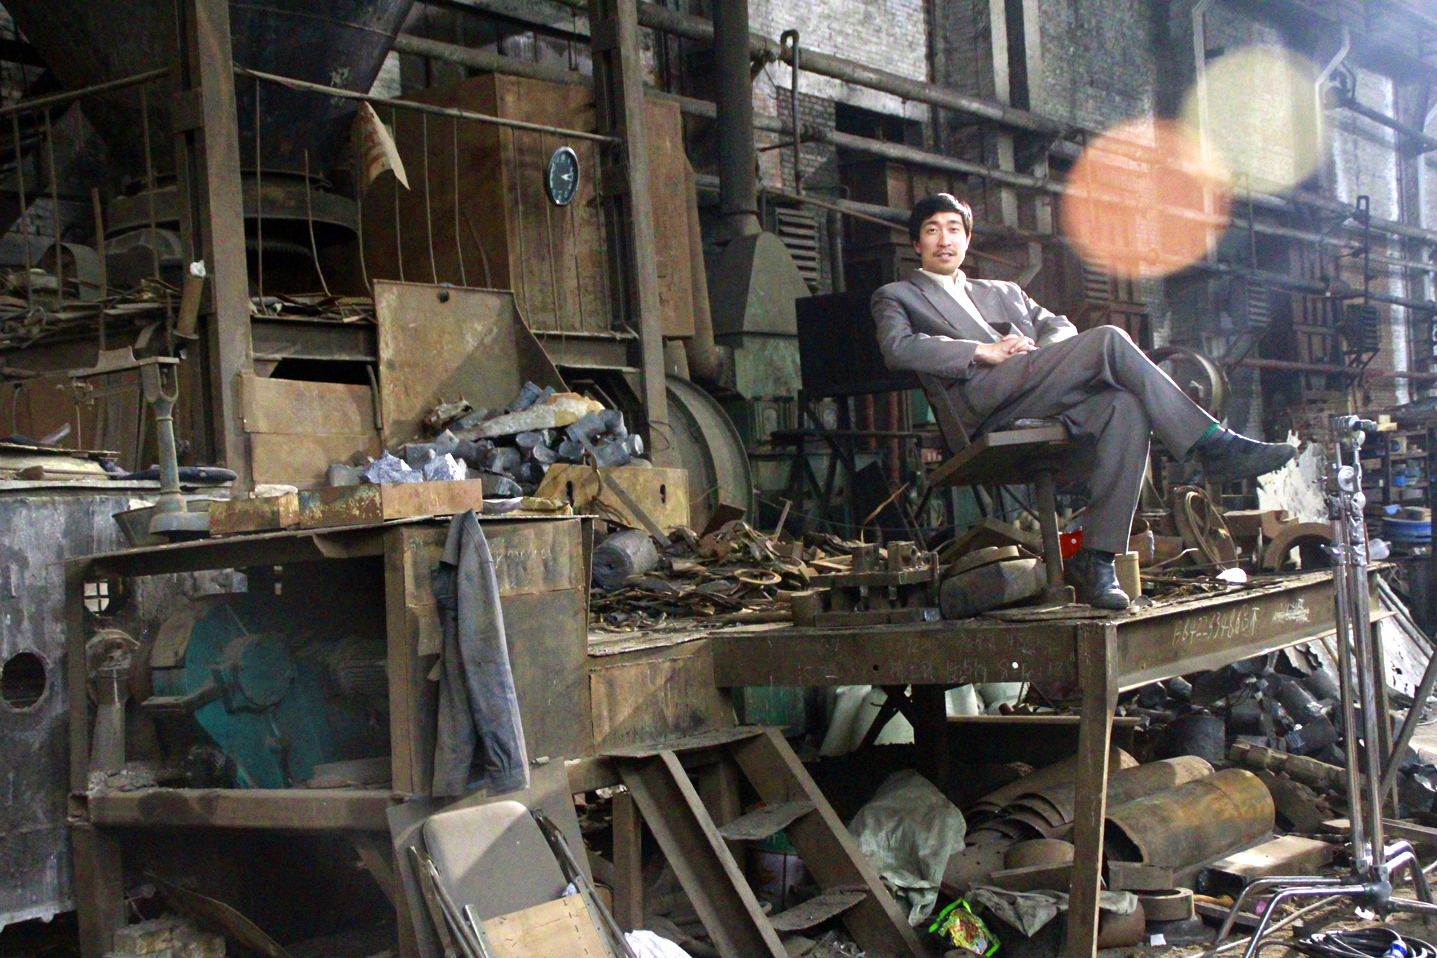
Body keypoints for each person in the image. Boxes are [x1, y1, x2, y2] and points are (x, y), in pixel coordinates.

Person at [871, 193, 1295, 610]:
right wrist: (984, 351)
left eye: (953, 229)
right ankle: (1210, 444)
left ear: (967, 239)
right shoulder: (897, 295)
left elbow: (1058, 325)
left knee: (1125, 409)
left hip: (1037, 387)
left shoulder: (1003, 291)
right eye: (932, 231)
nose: (944, 239)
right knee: (1109, 339)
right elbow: (897, 348)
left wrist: (1041, 353)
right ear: (917, 244)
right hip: (983, 403)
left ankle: (1098, 559)